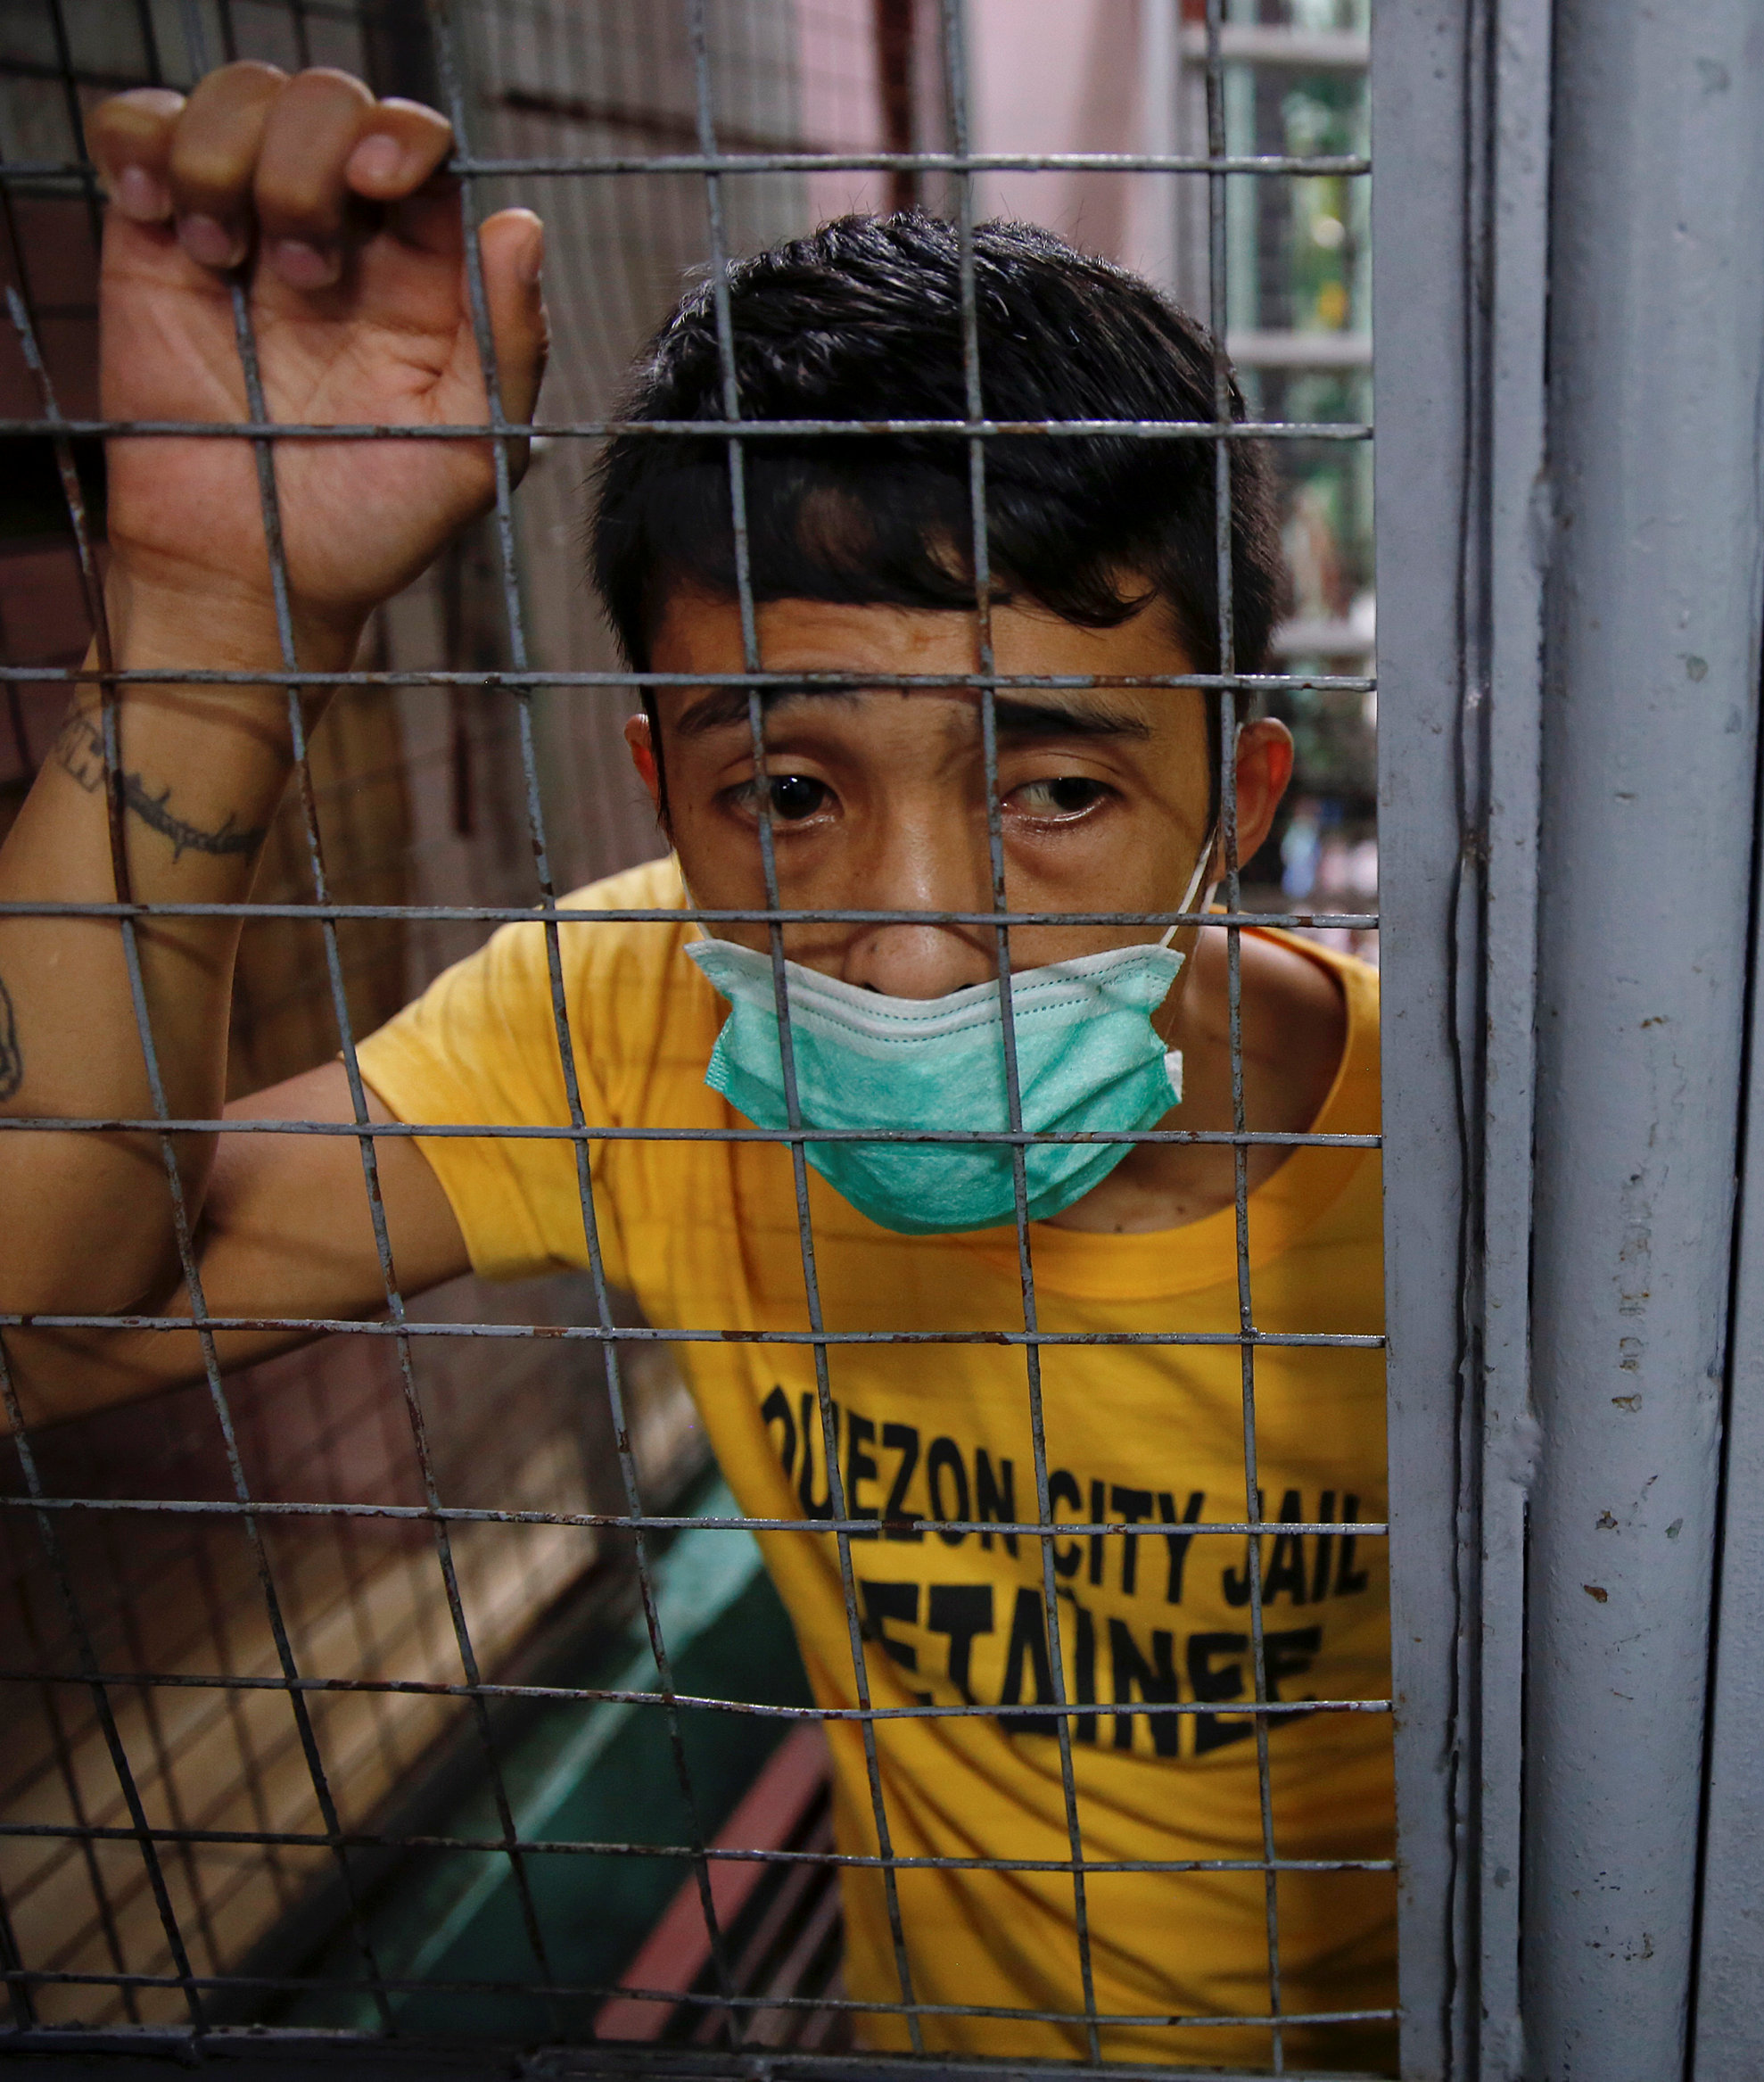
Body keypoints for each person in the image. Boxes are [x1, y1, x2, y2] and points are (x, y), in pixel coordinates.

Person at [2, 66, 1389, 2066]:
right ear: (663, 789)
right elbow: (42, 1316)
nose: (912, 940)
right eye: (789, 792)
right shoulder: (635, 1012)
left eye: (1059, 790)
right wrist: (217, 613)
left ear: (1238, 801)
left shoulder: (1462, 1159)